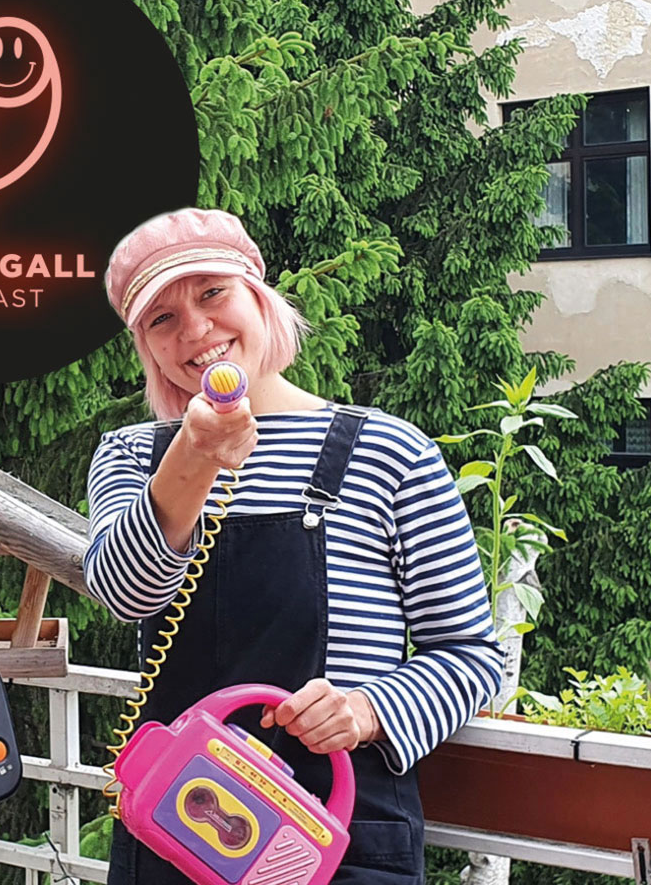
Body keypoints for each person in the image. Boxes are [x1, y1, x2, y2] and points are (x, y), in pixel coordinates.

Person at [86, 208, 502, 884]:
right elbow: (125, 593)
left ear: (259, 296)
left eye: (212, 293)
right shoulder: (133, 456)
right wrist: (193, 457)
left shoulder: (390, 453)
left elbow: (471, 658)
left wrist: (367, 710)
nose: (195, 330)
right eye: (161, 320)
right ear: (147, 349)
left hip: (340, 831)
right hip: (176, 826)